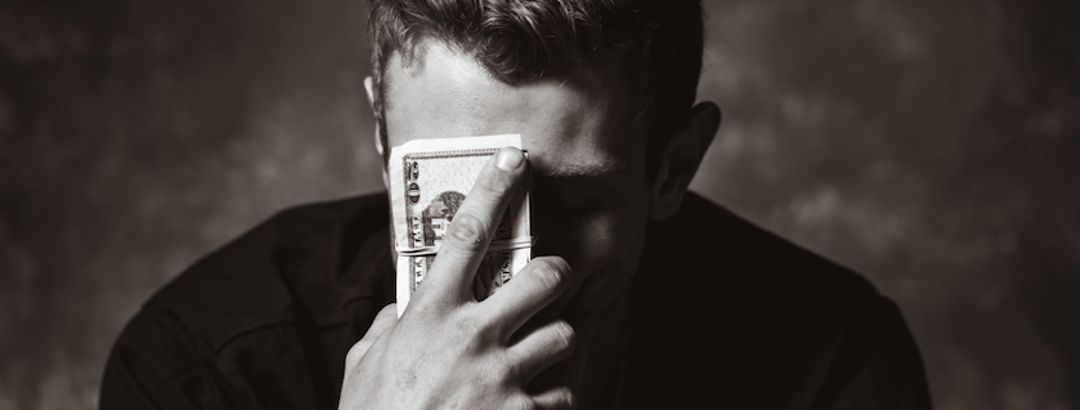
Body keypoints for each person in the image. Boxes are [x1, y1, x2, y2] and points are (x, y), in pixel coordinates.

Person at [100, 0, 932, 408]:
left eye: (569, 196)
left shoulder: (835, 362)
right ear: (385, 141)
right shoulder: (203, 365)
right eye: (458, 183)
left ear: (673, 167)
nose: (516, 256)